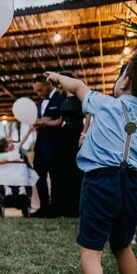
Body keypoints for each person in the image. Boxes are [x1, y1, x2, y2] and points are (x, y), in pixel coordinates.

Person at [45, 50, 137, 274]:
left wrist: (56, 77)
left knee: (91, 248)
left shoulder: (105, 103)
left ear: (124, 83)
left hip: (101, 182)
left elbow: (76, 86)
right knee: (123, 244)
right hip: (134, 186)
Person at [57, 71, 90, 217]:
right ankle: (65, 207)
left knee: (76, 170)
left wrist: (83, 134)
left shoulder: (79, 96)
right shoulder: (62, 98)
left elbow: (89, 116)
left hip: (76, 132)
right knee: (64, 170)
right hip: (64, 134)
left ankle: (76, 208)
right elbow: (59, 120)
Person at [31, 75, 65, 218]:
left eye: (40, 90)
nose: (38, 94)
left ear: (47, 84)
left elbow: (63, 121)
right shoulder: (40, 102)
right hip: (40, 145)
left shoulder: (60, 98)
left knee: (55, 178)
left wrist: (48, 122)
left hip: (55, 145)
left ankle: (55, 208)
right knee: (39, 176)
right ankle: (43, 207)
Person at [0, 127, 38, 197]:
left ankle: (22, 188)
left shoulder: (16, 147)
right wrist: (1, 161)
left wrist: (29, 131)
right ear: (6, 148)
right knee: (4, 175)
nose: (12, 143)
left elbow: (23, 139)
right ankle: (7, 189)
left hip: (18, 170)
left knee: (23, 172)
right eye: (9, 142)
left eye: (12, 141)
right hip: (7, 172)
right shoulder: (1, 154)